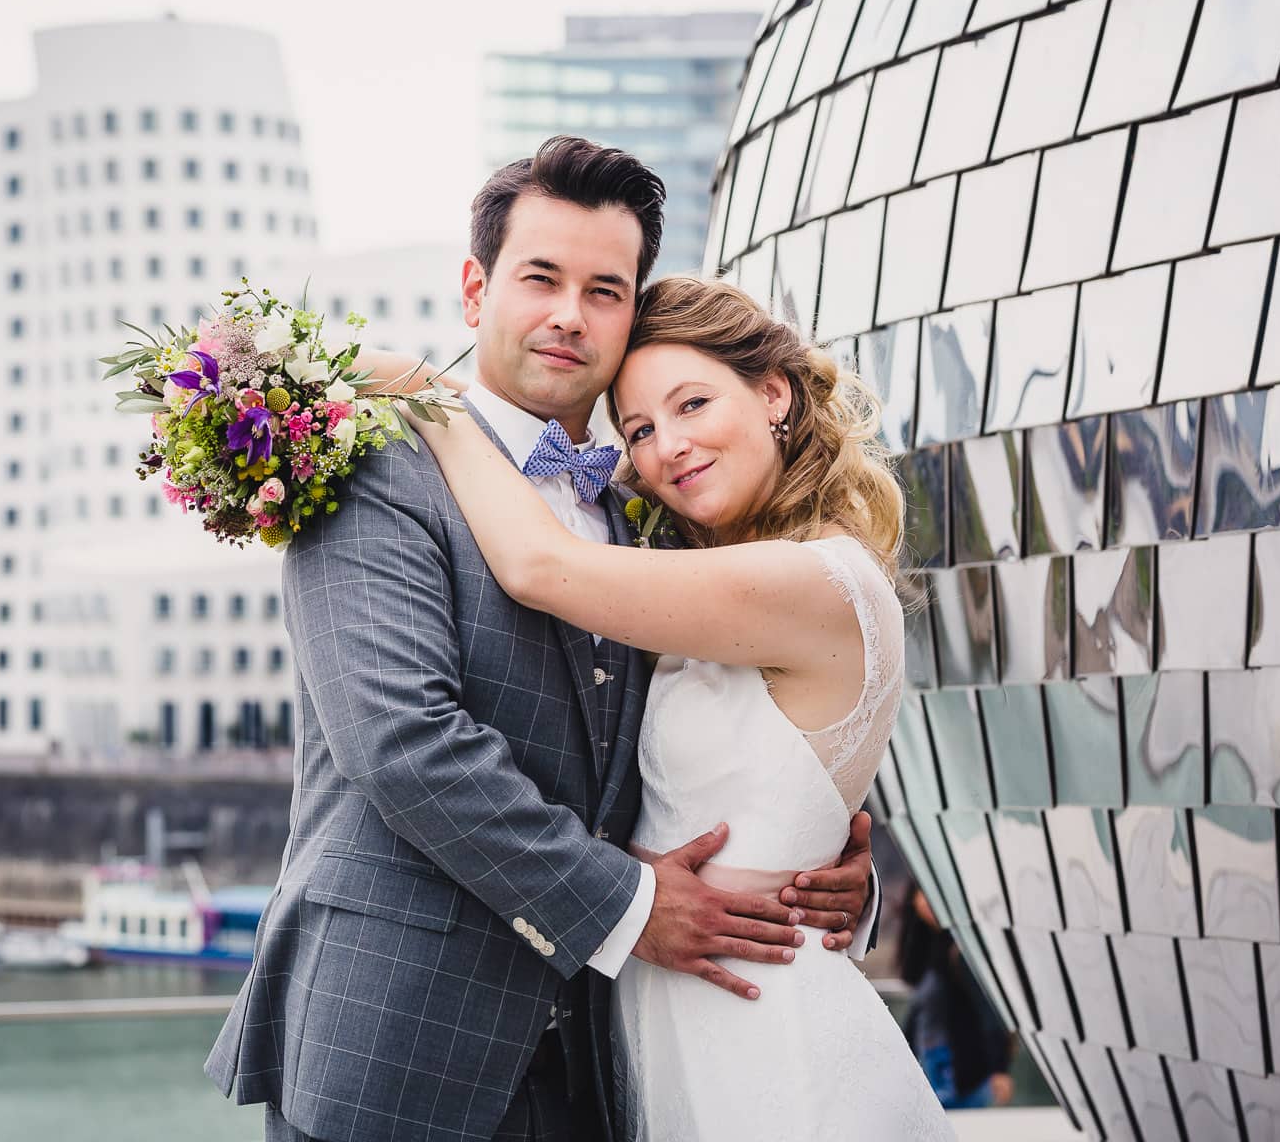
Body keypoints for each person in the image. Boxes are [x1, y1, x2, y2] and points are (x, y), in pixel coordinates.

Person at [206, 137, 878, 1142]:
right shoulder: (373, 466)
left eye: (606, 289)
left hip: (608, 1062)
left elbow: (762, 728)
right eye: (541, 278)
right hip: (400, 1046)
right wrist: (630, 904)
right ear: (476, 290)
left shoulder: (653, 502)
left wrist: (825, 862)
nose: (571, 313)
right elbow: (401, 741)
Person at [363, 269, 953, 1138]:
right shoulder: (713, 577)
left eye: (692, 405)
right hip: (665, 1023)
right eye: (639, 429)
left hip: (757, 1029)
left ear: (775, 395)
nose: (666, 446)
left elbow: (539, 569)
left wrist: (432, 395)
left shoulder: (814, 577)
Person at [898, 881, 1017, 1110]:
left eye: (932, 895)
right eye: (921, 895)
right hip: (928, 1063)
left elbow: (989, 1009)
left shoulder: (962, 949)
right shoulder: (925, 947)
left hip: (959, 1069)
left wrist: (999, 1068)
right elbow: (916, 1001)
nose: (927, 902)